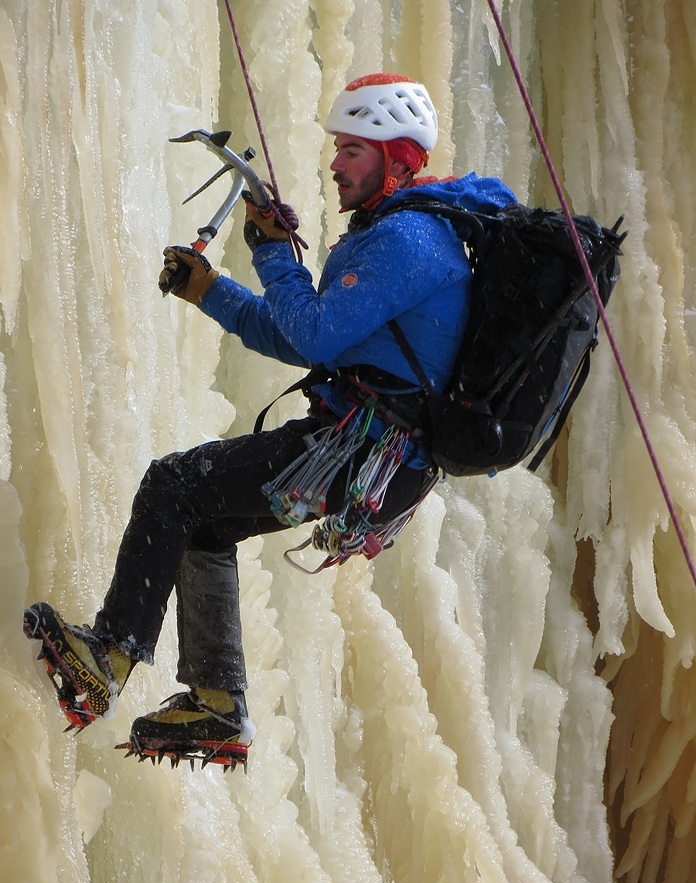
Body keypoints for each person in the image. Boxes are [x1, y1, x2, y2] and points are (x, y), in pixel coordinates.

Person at [24, 74, 516, 769]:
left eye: (351, 148)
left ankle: (106, 658)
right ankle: (218, 702)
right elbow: (299, 335)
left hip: (359, 448)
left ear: (394, 155)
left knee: (173, 486)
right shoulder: (399, 237)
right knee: (206, 519)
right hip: (370, 455)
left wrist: (274, 257)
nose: (336, 163)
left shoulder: (410, 238)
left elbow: (313, 337)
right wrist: (212, 291)